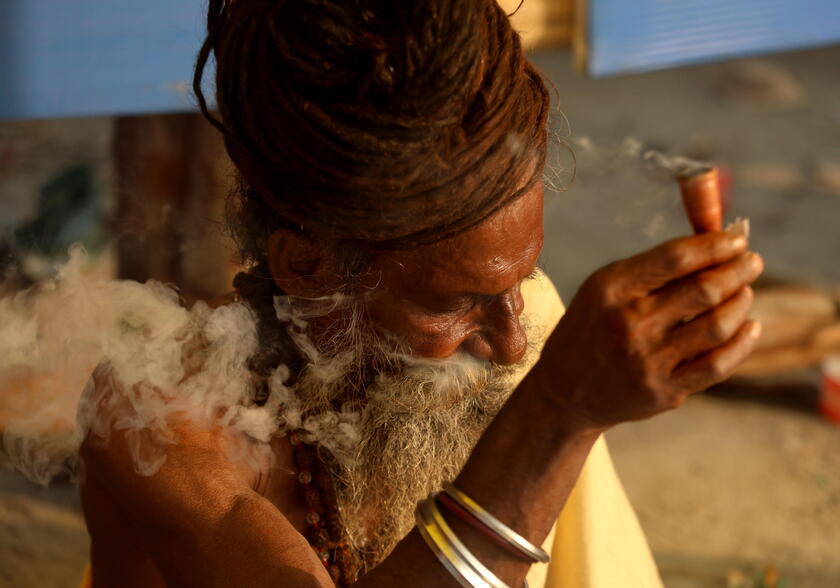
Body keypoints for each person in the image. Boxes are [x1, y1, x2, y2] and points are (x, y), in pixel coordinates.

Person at [79, 1, 764, 586]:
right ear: (309, 267)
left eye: (518, 281)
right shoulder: (159, 419)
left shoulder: (534, 324)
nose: (512, 344)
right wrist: (557, 416)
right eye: (455, 304)